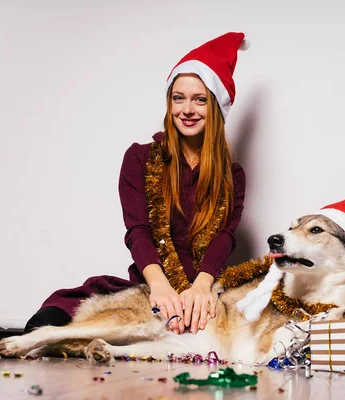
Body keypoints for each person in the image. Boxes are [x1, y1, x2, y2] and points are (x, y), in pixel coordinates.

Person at [24, 32, 250, 336]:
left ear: (216, 109)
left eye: (200, 100)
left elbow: (225, 236)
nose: (187, 110)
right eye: (178, 98)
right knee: (63, 315)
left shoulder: (232, 174)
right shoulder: (140, 158)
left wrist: (200, 289)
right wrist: (160, 288)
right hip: (150, 281)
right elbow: (138, 230)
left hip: (204, 287)